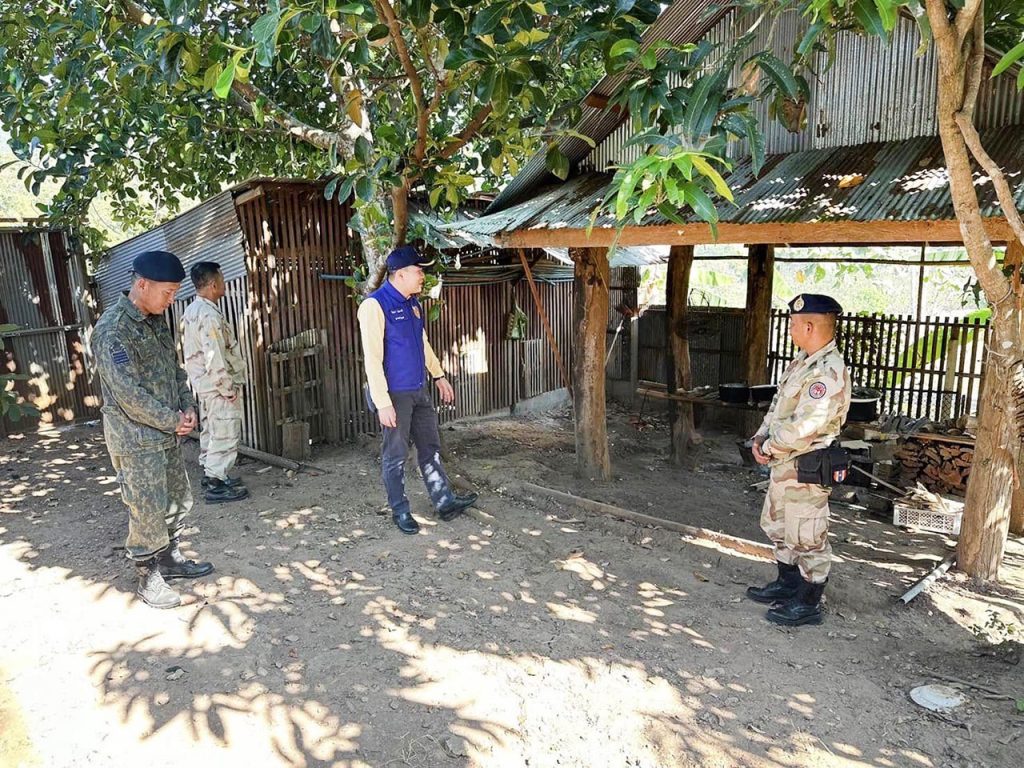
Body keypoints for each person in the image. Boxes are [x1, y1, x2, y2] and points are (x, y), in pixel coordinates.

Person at [92, 250, 214, 609]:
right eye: (168, 292)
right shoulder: (112, 330)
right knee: (146, 508)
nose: (172, 299)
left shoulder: (155, 319)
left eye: (175, 292)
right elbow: (128, 394)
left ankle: (169, 558)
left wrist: (187, 406)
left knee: (176, 500)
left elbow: (174, 369)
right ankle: (148, 576)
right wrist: (172, 420)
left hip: (166, 434)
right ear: (142, 285)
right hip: (136, 440)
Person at [358, 245, 478, 534]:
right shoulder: (374, 306)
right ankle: (400, 510)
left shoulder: (413, 304)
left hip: (418, 388)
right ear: (400, 274)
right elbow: (372, 359)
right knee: (395, 455)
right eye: (418, 271)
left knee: (430, 447)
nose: (422, 276)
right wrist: (382, 402)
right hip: (394, 395)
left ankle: (444, 501)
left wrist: (439, 376)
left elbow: (422, 343)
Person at [747, 293, 851, 626]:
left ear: (809, 327)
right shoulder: (802, 362)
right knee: (779, 526)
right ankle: (787, 584)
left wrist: (770, 448)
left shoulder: (828, 372)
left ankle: (808, 602)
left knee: (807, 535)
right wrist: (760, 438)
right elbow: (778, 407)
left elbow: (805, 426)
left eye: (793, 324)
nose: (790, 330)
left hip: (807, 465)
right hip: (785, 464)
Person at [181, 261, 248, 503]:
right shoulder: (208, 315)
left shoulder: (193, 310)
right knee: (225, 431)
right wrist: (226, 387)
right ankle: (216, 484)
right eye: (221, 279)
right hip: (217, 386)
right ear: (212, 284)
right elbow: (214, 354)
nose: (224, 283)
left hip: (205, 386)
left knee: (211, 430)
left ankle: (211, 474)